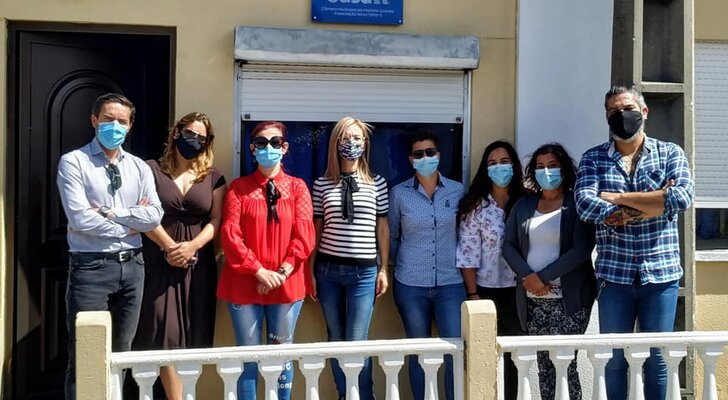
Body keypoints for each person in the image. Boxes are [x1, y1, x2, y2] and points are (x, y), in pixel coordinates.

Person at [574, 86, 694, 400]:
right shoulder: (594, 158)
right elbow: (585, 205)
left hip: (661, 275)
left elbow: (681, 197)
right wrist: (654, 201)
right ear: (606, 117)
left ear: (644, 112)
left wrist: (615, 199)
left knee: (657, 359)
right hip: (614, 277)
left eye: (627, 108)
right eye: (613, 111)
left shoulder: (670, 153)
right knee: (614, 359)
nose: (621, 116)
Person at [57, 93, 163, 400]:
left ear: (130, 127)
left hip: (133, 268)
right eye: (108, 119)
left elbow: (155, 215)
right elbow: (80, 218)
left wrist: (110, 213)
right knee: (85, 355)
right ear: (94, 121)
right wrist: (131, 223)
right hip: (91, 267)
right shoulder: (74, 162)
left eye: (121, 121)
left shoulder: (139, 168)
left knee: (122, 353)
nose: (115, 126)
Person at [218, 121, 315, 400]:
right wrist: (258, 271)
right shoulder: (238, 189)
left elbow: (304, 235)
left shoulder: (297, 188)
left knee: (281, 357)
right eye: (261, 142)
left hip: (287, 285)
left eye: (275, 142)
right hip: (244, 284)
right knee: (248, 357)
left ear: (284, 148)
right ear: (252, 148)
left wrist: (280, 274)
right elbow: (230, 235)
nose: (268, 148)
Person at [133, 112, 226, 399]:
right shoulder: (150, 170)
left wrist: (192, 247)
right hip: (159, 262)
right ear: (176, 133)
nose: (194, 141)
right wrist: (170, 247)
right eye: (189, 134)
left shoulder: (214, 177)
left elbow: (216, 221)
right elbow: (142, 214)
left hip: (197, 266)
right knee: (164, 335)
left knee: (193, 335)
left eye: (201, 138)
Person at [502, 143, 596, 400]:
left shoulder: (576, 204)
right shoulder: (523, 205)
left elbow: (581, 249)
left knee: (565, 364)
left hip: (570, 300)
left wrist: (542, 277)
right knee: (544, 366)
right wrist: (529, 277)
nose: (546, 172)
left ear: (564, 169)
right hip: (533, 301)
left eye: (552, 166)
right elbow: (508, 246)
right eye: (540, 166)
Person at [310, 116, 389, 400]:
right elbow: (317, 228)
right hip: (328, 271)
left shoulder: (377, 183)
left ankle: (364, 395)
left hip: (364, 274)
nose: (351, 143)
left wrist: (383, 269)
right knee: (335, 338)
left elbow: (382, 227)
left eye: (356, 138)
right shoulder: (321, 184)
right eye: (345, 138)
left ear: (365, 143)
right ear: (335, 142)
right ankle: (344, 394)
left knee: (357, 341)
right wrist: (310, 271)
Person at [389, 129, 465, 400]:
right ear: (411, 159)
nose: (425, 158)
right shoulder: (399, 194)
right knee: (419, 350)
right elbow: (392, 236)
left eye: (430, 152)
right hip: (410, 283)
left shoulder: (457, 190)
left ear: (439, 155)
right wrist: (402, 262)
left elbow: (464, 234)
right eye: (418, 154)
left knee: (454, 349)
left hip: (451, 283)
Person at [456, 140, 526, 400]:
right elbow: (467, 254)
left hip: (522, 291)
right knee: (485, 358)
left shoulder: (527, 201)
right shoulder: (476, 206)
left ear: (514, 165)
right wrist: (473, 294)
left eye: (504, 161)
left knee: (515, 357)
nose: (499, 167)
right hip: (486, 292)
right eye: (492, 163)